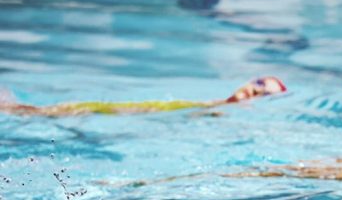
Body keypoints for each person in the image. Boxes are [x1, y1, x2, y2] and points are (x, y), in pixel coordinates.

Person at [0, 77, 287, 117]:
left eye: (264, 92)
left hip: (138, 112)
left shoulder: (221, 111)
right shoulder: (215, 105)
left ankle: (12, 108)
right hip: (136, 108)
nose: (255, 88)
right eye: (259, 82)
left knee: (54, 112)